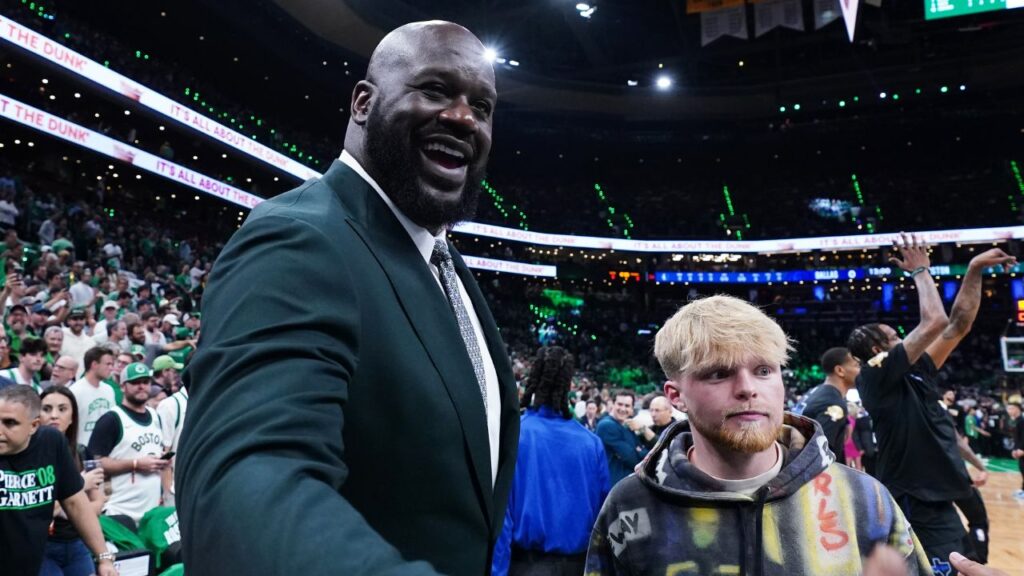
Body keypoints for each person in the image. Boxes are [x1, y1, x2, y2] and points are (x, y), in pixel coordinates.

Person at [176, 21, 518, 576]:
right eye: (434, 90)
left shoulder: (440, 260)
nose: (462, 118)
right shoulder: (298, 238)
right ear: (363, 102)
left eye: (481, 106)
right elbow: (244, 481)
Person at [584, 295, 930, 575]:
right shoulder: (628, 505)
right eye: (719, 373)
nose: (748, 389)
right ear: (676, 396)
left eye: (764, 370)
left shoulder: (863, 500)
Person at [848, 238, 1015, 565]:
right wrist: (921, 271)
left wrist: (974, 269)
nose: (902, 337)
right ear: (876, 349)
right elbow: (934, 321)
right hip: (916, 494)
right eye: (894, 336)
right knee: (950, 567)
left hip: (944, 487)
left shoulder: (917, 370)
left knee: (969, 560)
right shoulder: (873, 376)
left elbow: (957, 325)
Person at [492, 347, 609, 576]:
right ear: (568, 385)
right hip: (580, 566)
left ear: (533, 379)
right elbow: (603, 515)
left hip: (527, 565)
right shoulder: (591, 443)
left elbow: (502, 517)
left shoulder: (516, 434)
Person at [0, 386, 116, 576]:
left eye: (9, 423)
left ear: (34, 426)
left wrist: (104, 557)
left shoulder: (51, 442)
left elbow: (75, 502)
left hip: (33, 562)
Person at [39, 386, 108, 576]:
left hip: (78, 543)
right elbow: (36, 513)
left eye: (62, 409)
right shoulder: (30, 456)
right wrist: (80, 487)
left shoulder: (82, 452)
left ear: (72, 417)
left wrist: (68, 510)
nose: (54, 415)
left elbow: (99, 503)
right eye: (46, 409)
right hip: (43, 547)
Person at [88, 362, 167, 528]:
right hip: (119, 509)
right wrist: (136, 464)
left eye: (145, 382)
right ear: (123, 387)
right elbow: (94, 463)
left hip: (151, 510)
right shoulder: (111, 419)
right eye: (135, 383)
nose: (141, 387)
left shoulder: (155, 415)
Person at [792, 346, 860, 465]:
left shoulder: (813, 392)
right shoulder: (833, 403)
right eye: (856, 365)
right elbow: (820, 454)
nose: (860, 370)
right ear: (840, 370)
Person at [596, 390, 651, 486]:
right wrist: (640, 451)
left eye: (627, 406)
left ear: (632, 409)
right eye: (620, 404)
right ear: (612, 404)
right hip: (614, 487)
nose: (623, 409)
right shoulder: (607, 425)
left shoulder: (627, 425)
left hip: (626, 485)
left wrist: (639, 451)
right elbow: (634, 460)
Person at [68, 347, 115, 446]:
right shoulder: (75, 391)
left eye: (112, 364)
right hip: (81, 449)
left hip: (105, 449)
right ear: (94, 365)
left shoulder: (109, 390)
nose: (111, 368)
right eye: (108, 364)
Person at [60, 309, 96, 374]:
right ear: (68, 321)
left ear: (85, 321)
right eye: (75, 319)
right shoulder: (60, 335)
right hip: (63, 376)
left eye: (81, 319)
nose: (78, 322)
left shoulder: (91, 342)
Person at [1008, 402, 1024, 498]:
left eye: (1010, 408)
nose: (1008, 411)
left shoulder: (1022, 421)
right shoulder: (1017, 421)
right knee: (1022, 470)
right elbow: (1017, 438)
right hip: (1019, 450)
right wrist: (1015, 449)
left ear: (1017, 409)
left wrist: (1022, 449)